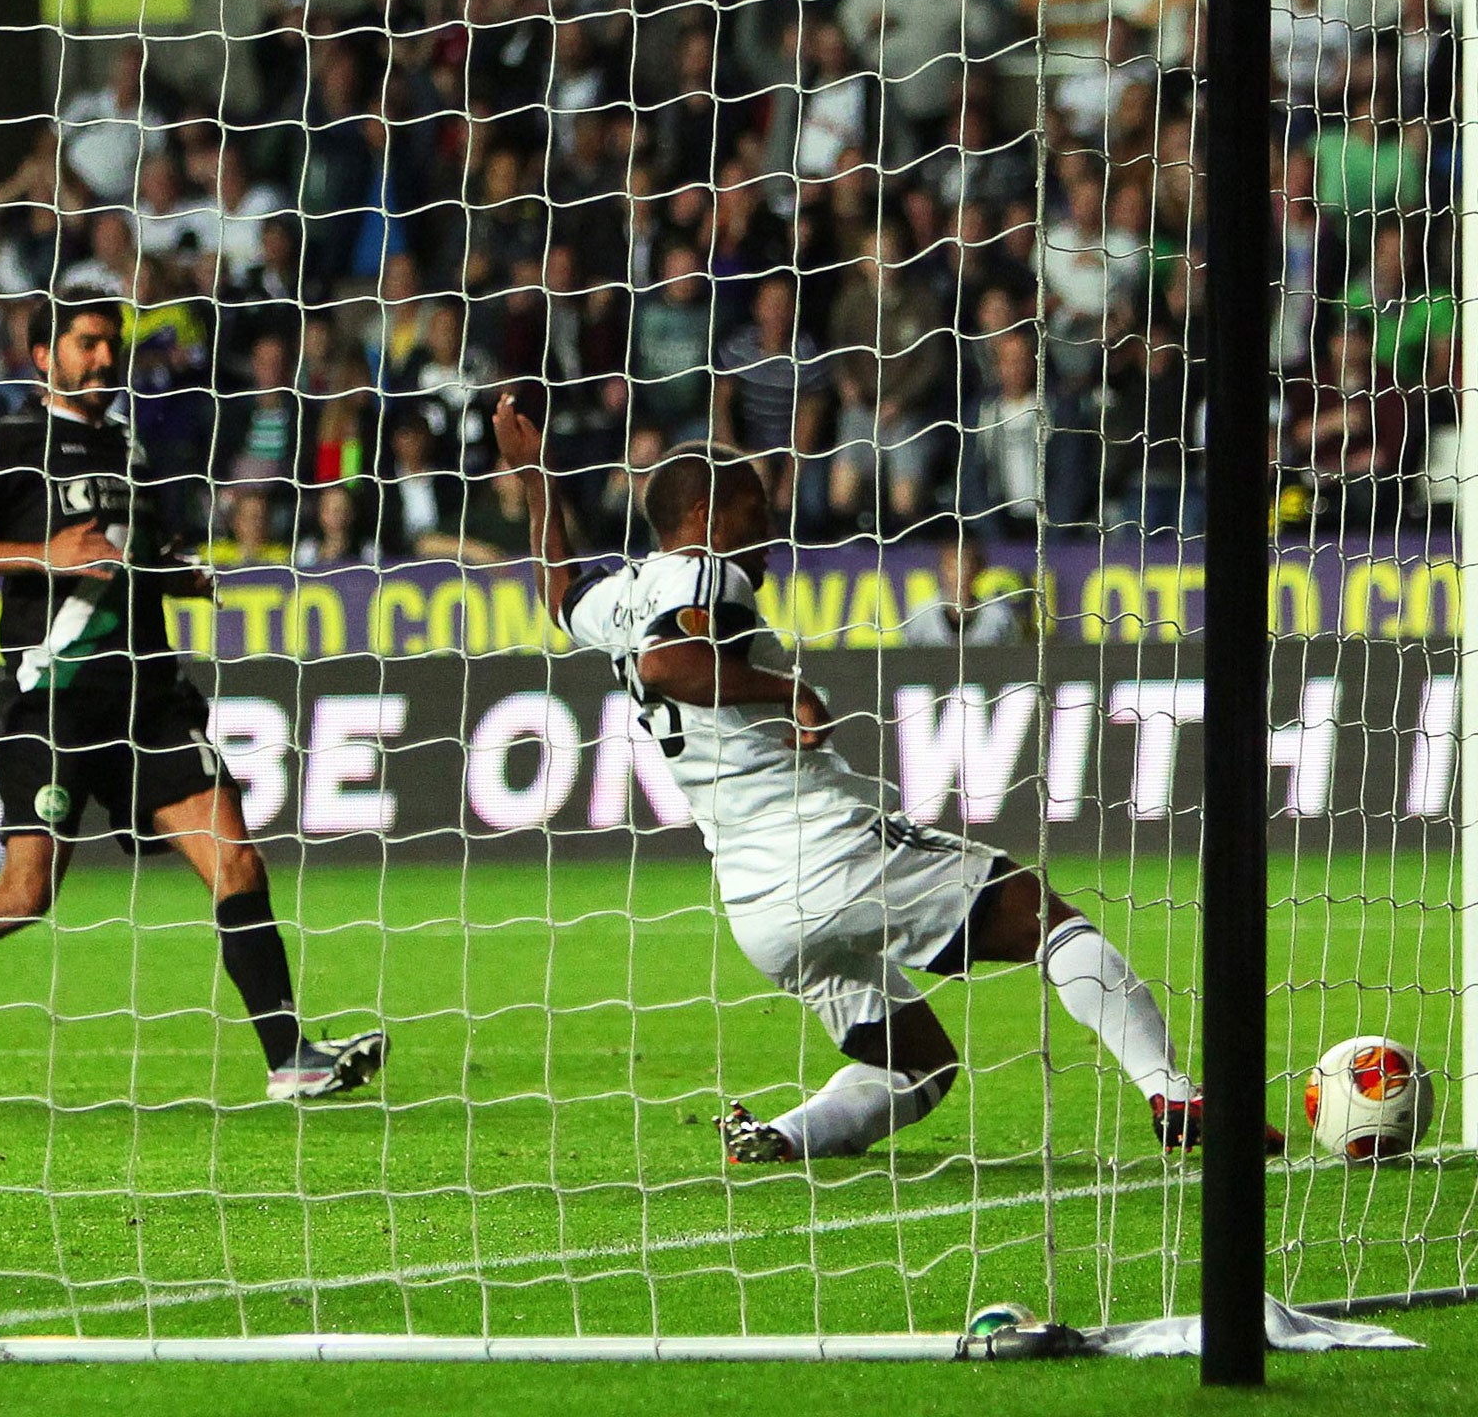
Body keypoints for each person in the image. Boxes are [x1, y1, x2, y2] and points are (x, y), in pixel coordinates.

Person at [490, 394, 1282, 1160]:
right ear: (705, 516)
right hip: (831, 848)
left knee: (922, 1066)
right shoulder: (705, 575)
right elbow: (671, 664)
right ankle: (1176, 1095)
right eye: (755, 512)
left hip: (756, 906)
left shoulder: (622, 598)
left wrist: (536, 480)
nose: (768, 532)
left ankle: (788, 1135)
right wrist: (789, 689)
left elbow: (558, 594)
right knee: (1050, 919)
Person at [0, 298, 386, 1102]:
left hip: (150, 697)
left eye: (110, 345)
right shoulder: (11, 440)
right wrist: (43, 553)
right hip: (57, 699)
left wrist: (173, 573)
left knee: (238, 861)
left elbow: (123, 556)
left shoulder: (128, 447)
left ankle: (289, 1057)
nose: (103, 359)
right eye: (86, 344)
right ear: (44, 354)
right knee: (24, 895)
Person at [899, 534, 1028, 647]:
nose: (960, 576)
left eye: (966, 568)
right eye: (953, 568)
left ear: (979, 571)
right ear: (942, 571)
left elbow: (1014, 656)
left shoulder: (999, 617)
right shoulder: (921, 615)